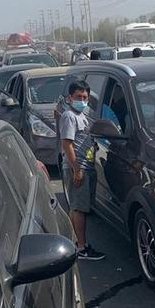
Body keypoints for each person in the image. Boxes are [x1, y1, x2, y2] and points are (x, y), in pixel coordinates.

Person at [59, 81, 105, 261]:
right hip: (79, 168)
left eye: (85, 97)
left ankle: (78, 243)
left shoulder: (81, 115)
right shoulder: (70, 116)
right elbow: (67, 143)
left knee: (77, 207)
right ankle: (81, 247)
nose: (82, 100)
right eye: (79, 97)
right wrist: (77, 169)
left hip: (85, 166)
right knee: (79, 208)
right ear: (70, 98)